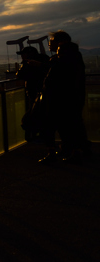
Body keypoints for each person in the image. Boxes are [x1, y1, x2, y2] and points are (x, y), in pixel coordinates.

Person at [39, 31, 89, 163]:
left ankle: (65, 152)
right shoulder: (74, 57)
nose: (49, 44)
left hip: (61, 99)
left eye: (51, 41)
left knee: (59, 125)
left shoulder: (63, 59)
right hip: (70, 99)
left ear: (60, 43)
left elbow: (57, 79)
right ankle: (73, 150)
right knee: (70, 125)